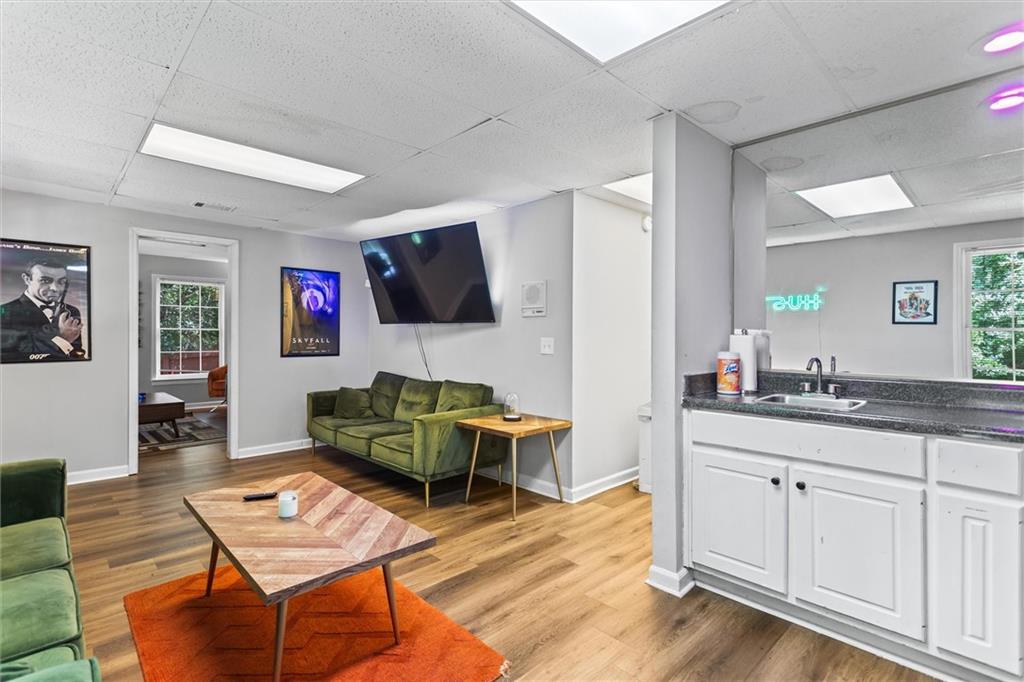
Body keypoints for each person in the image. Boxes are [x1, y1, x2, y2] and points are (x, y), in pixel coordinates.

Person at [0, 258, 86, 362]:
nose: (55, 288)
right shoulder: (5, 312)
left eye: (61, 282)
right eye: (45, 281)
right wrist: (63, 340)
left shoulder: (72, 311)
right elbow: (9, 358)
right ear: (27, 279)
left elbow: (77, 354)